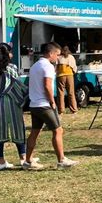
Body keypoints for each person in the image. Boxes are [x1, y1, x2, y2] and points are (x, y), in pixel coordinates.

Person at [24, 42, 78, 170]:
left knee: (35, 132)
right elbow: (47, 85)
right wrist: (52, 102)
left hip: (34, 104)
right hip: (44, 104)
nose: (58, 58)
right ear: (51, 53)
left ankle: (28, 161)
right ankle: (61, 160)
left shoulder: (35, 66)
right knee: (58, 130)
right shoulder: (47, 66)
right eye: (57, 55)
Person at [0, 43, 29, 170]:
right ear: (8, 54)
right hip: (9, 102)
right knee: (17, 127)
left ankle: (0, 161)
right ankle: (23, 158)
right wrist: (23, 98)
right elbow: (17, 86)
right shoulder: (11, 68)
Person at [56, 45, 78, 114]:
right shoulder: (71, 57)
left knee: (60, 93)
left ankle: (61, 110)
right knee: (71, 92)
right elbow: (74, 67)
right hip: (69, 75)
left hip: (60, 76)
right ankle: (74, 109)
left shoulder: (59, 57)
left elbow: (55, 67)